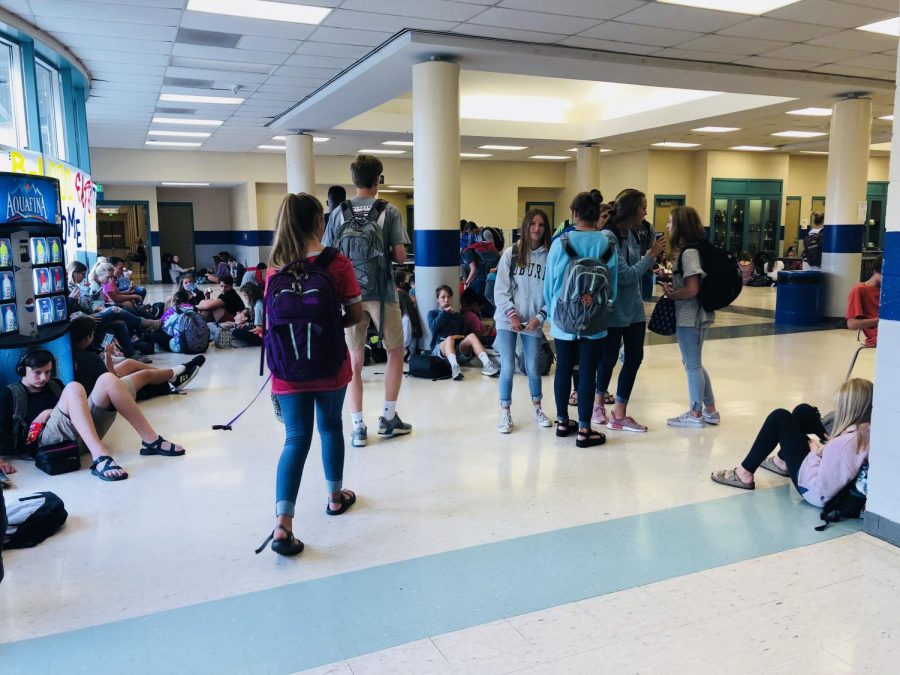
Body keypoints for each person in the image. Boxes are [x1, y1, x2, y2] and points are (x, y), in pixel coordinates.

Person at [256, 193, 363, 557]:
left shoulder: (274, 267)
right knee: (331, 427)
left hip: (287, 370)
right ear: (319, 221)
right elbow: (356, 315)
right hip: (330, 364)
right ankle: (335, 497)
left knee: (295, 439)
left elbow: (270, 321)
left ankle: (282, 524)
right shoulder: (337, 263)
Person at [322, 154, 412, 448]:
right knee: (395, 351)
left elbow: (328, 255)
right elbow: (400, 256)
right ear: (378, 180)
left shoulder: (337, 213)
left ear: (353, 180)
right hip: (383, 292)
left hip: (349, 295)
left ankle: (358, 427)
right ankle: (388, 417)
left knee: (355, 359)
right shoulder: (390, 211)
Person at [0, 350, 185, 482]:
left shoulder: (54, 384)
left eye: (47, 372)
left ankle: (150, 440)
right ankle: (100, 458)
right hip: (44, 443)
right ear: (22, 370)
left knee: (108, 379)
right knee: (74, 387)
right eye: (37, 373)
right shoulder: (11, 394)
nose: (43, 378)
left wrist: (50, 411)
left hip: (78, 438)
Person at [710, 379, 871, 509]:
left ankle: (743, 473)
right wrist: (828, 446)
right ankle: (781, 462)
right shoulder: (868, 432)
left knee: (780, 417)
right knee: (803, 411)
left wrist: (815, 452)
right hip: (829, 468)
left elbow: (821, 486)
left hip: (813, 491)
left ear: (849, 410)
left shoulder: (844, 444)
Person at [545, 189, 618, 448]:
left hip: (563, 320)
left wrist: (554, 310)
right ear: (598, 214)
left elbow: (549, 285)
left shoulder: (560, 244)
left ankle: (563, 421)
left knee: (563, 368)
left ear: (574, 214)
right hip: (595, 320)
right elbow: (613, 287)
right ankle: (585, 430)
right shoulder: (608, 244)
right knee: (588, 372)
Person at [595, 190, 667, 433]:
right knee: (608, 359)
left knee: (634, 358)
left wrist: (654, 268)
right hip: (613, 310)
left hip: (634, 310)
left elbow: (636, 267)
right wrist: (651, 256)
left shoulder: (633, 235)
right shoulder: (609, 237)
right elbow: (624, 276)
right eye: (643, 207)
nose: (646, 212)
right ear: (632, 209)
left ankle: (619, 413)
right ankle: (597, 405)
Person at [493, 208, 552, 433]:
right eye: (533, 224)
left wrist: (540, 317)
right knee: (507, 366)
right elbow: (500, 289)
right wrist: (511, 313)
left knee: (532, 366)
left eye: (541, 225)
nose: (536, 229)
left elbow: (552, 293)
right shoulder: (512, 253)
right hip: (508, 319)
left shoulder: (550, 256)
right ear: (526, 226)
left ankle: (537, 408)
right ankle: (505, 412)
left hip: (533, 322)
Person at [661, 205, 719, 428]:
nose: (667, 226)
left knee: (692, 364)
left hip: (690, 315)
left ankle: (696, 413)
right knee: (694, 362)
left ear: (680, 226)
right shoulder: (692, 251)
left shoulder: (689, 253)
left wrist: (674, 295)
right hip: (696, 314)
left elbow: (692, 289)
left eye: (670, 222)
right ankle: (710, 410)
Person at [70, 317, 204, 398]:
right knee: (145, 374)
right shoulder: (90, 358)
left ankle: (174, 376)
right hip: (105, 394)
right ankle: (178, 371)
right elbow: (112, 380)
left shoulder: (73, 353)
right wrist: (108, 355)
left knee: (129, 363)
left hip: (96, 385)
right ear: (87, 337)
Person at [427, 285, 499, 381]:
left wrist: (461, 337)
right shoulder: (433, 313)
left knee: (471, 336)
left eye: (448, 297)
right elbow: (433, 328)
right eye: (443, 297)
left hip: (456, 348)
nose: (446, 300)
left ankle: (487, 364)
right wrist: (444, 313)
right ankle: (454, 368)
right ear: (438, 299)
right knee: (449, 338)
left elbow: (463, 334)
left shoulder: (458, 316)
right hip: (440, 349)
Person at [846, 255, 882, 347]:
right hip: (880, 336)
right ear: (875, 271)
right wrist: (881, 321)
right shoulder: (859, 290)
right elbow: (852, 324)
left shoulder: (889, 289)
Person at [232, 283, 264, 347]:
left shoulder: (258, 306)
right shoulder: (257, 303)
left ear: (250, 295)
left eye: (245, 296)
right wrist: (246, 325)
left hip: (262, 337)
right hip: (261, 331)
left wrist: (248, 329)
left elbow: (259, 328)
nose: (245, 298)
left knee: (236, 332)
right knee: (240, 328)